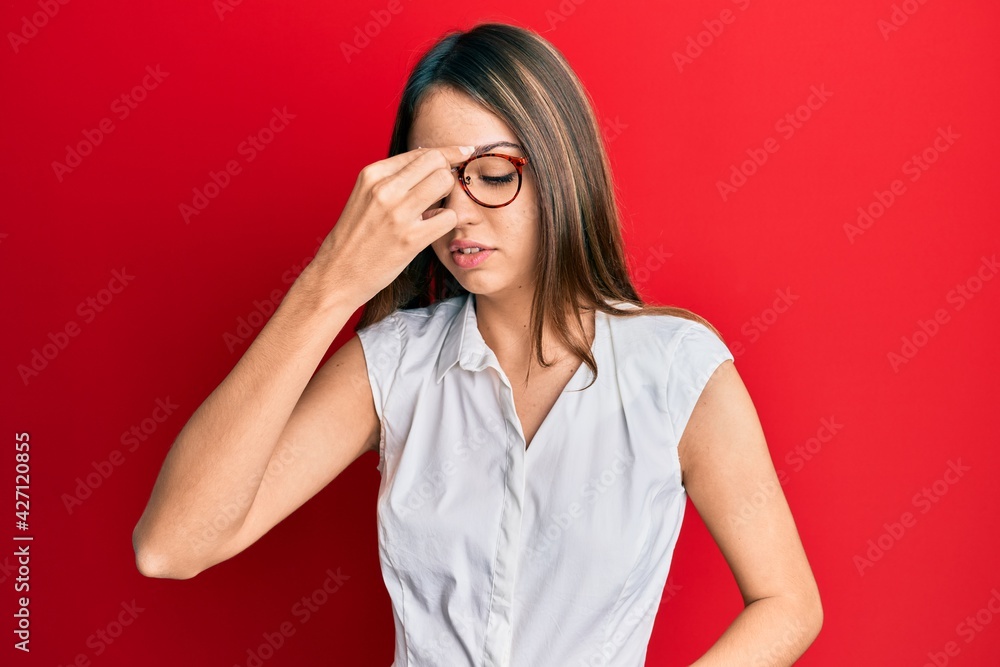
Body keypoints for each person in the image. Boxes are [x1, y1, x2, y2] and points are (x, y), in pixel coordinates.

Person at [132, 21, 822, 666]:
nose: (459, 214)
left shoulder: (675, 370)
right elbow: (170, 546)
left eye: (492, 175)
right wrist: (330, 284)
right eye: (434, 185)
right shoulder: (393, 365)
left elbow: (787, 602)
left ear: (560, 169)